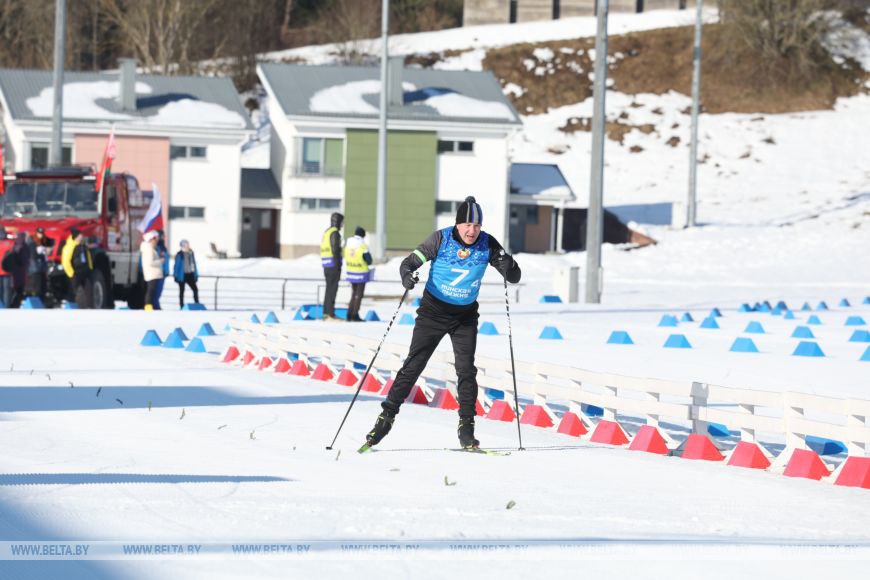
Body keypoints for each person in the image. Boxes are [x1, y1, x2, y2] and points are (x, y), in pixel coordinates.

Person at [364, 196, 521, 450]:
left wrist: (509, 264)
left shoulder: (487, 243)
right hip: (433, 313)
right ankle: (386, 417)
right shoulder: (440, 239)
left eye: (477, 226)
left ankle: (466, 428)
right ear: (458, 224)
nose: (472, 231)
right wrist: (407, 277)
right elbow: (408, 263)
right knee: (414, 365)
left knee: (466, 370)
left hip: (465, 316)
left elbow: (513, 276)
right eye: (467, 225)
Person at [344, 226, 373, 322]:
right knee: (359, 295)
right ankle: (355, 315)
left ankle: (349, 314)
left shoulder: (348, 244)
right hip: (361, 273)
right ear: (363, 235)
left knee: (353, 294)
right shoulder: (363, 245)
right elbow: (369, 260)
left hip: (351, 272)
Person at [320, 212, 343, 321]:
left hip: (326, 264)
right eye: (341, 222)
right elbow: (335, 250)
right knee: (332, 290)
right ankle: (330, 313)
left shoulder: (327, 232)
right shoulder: (335, 233)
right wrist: (339, 265)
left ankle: (326, 313)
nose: (342, 225)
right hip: (333, 265)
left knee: (328, 289)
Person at [25, 227, 50, 301]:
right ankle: (38, 300)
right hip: (35, 268)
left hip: (40, 268)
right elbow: (34, 255)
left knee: (42, 286)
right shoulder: (33, 243)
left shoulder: (40, 242)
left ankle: (40, 300)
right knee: (37, 287)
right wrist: (43, 253)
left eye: (42, 233)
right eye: (39, 233)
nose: (41, 235)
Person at [140, 231, 163, 311]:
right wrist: (160, 261)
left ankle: (150, 307)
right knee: (151, 292)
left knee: (152, 292)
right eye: (155, 239)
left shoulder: (149, 248)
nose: (156, 241)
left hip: (153, 274)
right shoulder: (148, 248)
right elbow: (150, 262)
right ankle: (148, 308)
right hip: (152, 274)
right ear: (151, 239)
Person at [70, 230, 94, 308]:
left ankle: (88, 305)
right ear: (76, 237)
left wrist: (90, 268)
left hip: (85, 270)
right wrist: (71, 272)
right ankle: (74, 305)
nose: (82, 237)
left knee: (87, 289)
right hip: (76, 271)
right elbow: (66, 260)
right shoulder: (71, 246)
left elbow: (88, 258)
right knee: (75, 289)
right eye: (80, 236)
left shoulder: (83, 246)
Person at [173, 239, 200, 309]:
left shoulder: (191, 253)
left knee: (195, 289)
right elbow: (176, 266)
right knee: (182, 291)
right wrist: (175, 276)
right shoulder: (179, 254)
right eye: (186, 244)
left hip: (190, 274)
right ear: (182, 245)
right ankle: (181, 306)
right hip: (182, 275)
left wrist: (195, 275)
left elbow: (194, 265)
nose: (188, 245)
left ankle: (197, 303)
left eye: (188, 244)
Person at [7, 232, 31, 308]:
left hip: (22, 273)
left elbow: (27, 260)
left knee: (19, 291)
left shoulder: (25, 246)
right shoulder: (14, 246)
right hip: (15, 273)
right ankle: (12, 306)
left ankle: (15, 306)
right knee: (15, 291)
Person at [153, 230, 169, 310]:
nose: (163, 238)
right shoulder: (156, 248)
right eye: (162, 236)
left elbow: (166, 260)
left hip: (163, 273)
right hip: (156, 273)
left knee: (159, 291)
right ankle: (155, 306)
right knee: (155, 291)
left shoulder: (164, 248)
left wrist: (166, 271)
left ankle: (156, 304)